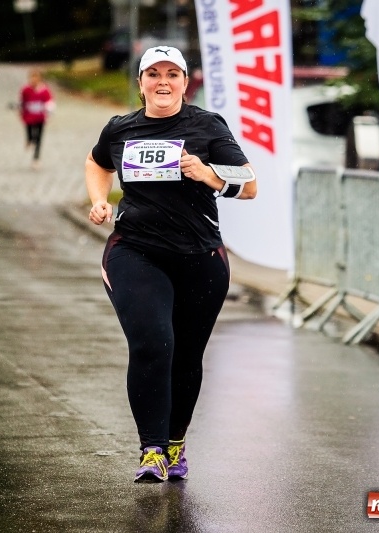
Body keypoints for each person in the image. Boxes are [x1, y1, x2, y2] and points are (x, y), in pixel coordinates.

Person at [84, 46, 257, 483]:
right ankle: (151, 450)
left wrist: (209, 175)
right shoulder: (121, 128)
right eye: (154, 74)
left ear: (185, 81)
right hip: (135, 250)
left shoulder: (207, 126)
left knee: (186, 355)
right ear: (140, 83)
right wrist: (100, 201)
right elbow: (96, 162)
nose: (163, 82)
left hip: (200, 256)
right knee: (153, 342)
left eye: (172, 74)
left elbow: (249, 184)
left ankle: (176, 444)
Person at [19, 69, 55, 170]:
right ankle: (29, 139)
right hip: (29, 117)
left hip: (40, 117)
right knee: (30, 132)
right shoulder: (25, 90)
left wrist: (49, 113)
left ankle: (36, 158)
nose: (33, 81)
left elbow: (49, 103)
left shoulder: (44, 91)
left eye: (36, 78)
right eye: (32, 78)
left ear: (40, 79)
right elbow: (22, 101)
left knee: (39, 138)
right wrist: (20, 111)